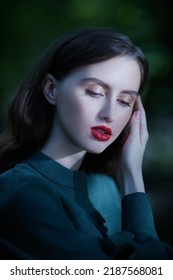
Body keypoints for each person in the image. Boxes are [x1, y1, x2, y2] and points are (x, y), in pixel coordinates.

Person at [0, 27, 172, 260]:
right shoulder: (22, 190)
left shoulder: (106, 189)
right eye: (94, 92)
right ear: (52, 89)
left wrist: (132, 174)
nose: (109, 114)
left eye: (124, 101)